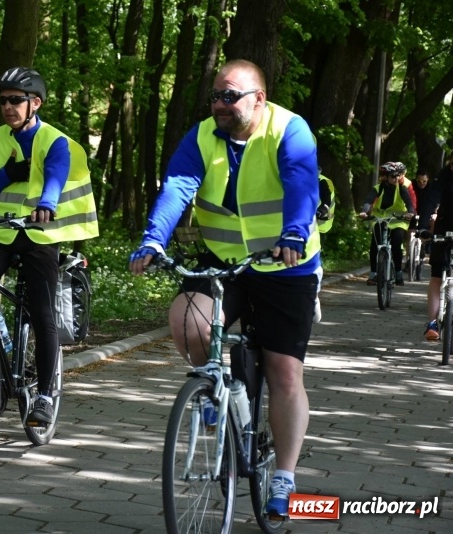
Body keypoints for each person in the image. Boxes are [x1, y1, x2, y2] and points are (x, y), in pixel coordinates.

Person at [128, 59, 320, 517]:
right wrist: (153, 238)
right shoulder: (201, 137)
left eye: (230, 96)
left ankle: (284, 478)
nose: (219, 104)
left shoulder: (289, 130)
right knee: (187, 321)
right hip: (224, 259)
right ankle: (217, 389)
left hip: (285, 264)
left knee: (283, 372)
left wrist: (294, 232)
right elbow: (178, 186)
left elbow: (301, 182)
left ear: (259, 99)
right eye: (215, 95)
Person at [0, 67, 99, 424]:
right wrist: (6, 175)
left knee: (42, 312)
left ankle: (44, 398)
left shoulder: (54, 141)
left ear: (36, 103)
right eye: (3, 100)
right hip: (1, 233)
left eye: (15, 100)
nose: (7, 106)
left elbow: (56, 176)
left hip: (39, 237)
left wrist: (46, 204)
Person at [358, 162, 415, 286]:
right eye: (393, 176)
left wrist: (411, 212)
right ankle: (373, 273)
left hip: (398, 219)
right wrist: (364, 211)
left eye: (398, 175)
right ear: (385, 177)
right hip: (381, 218)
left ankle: (398, 273)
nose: (396, 178)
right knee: (375, 244)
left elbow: (408, 202)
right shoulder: (378, 188)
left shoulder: (402, 188)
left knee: (396, 243)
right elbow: (369, 200)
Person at [418, 158, 453, 341]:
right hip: (444, 226)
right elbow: (430, 200)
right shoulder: (443, 177)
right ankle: (432, 323)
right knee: (437, 275)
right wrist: (423, 227)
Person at [313, 171, 336, 323]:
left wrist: (323, 209)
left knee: (313, 259)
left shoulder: (322, 181)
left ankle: (313, 295)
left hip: (317, 225)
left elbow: (326, 199)